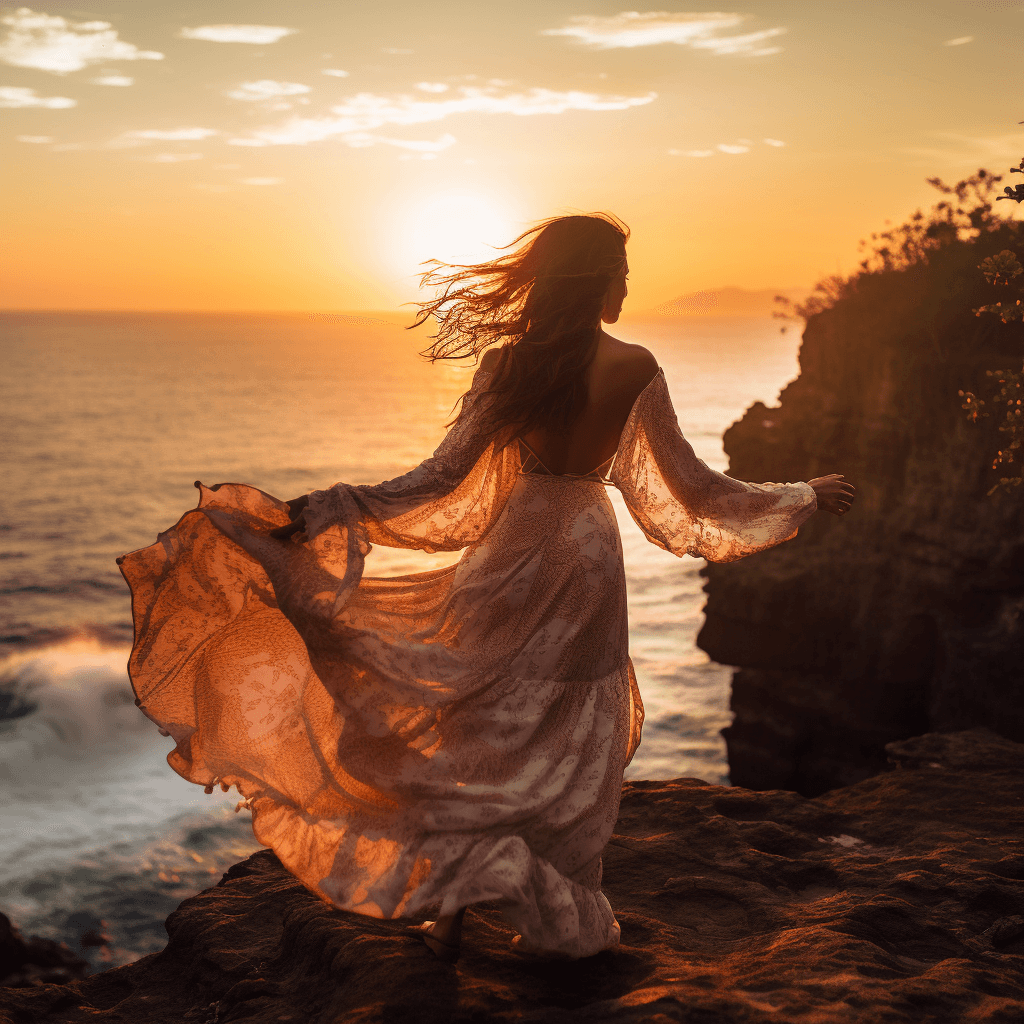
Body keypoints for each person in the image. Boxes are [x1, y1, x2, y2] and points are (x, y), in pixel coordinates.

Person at [117, 213, 854, 964]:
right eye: (621, 273)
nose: (628, 286)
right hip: (585, 559)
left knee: (474, 716)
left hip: (513, 547)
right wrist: (800, 494)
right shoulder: (635, 366)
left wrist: (328, 508)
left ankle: (455, 906)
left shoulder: (510, 367)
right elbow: (692, 492)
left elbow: (437, 482)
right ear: (595, 277)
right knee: (566, 728)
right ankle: (542, 890)